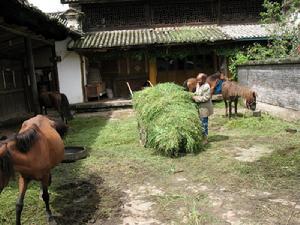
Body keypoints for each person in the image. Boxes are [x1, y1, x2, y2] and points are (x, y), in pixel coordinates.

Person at [192, 73, 214, 144]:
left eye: (199, 80)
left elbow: (206, 98)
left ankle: (205, 139)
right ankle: (201, 137)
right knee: (200, 123)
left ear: (204, 79)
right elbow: (197, 92)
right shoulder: (198, 84)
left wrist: (195, 98)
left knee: (204, 123)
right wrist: (192, 94)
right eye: (197, 80)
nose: (198, 81)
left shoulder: (206, 86)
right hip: (199, 106)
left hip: (205, 107)